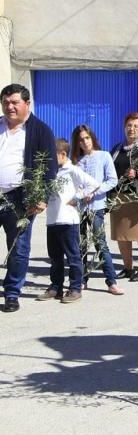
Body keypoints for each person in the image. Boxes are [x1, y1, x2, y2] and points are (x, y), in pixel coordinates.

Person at [0, 83, 58, 313]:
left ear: (27, 104)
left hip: (20, 198)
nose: (9, 107)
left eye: (14, 102)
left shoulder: (40, 130)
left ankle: (12, 293)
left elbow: (50, 167)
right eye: (5, 102)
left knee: (18, 248)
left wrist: (42, 197)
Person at [37, 139, 100, 304]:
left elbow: (93, 184)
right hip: (52, 220)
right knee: (55, 257)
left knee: (73, 256)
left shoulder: (72, 170)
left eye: (52, 156)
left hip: (67, 220)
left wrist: (77, 197)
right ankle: (56, 286)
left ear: (62, 154)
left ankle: (75, 287)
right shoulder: (50, 172)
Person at [71, 124, 124, 295]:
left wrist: (94, 192)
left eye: (87, 138)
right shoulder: (75, 162)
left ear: (92, 138)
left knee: (100, 244)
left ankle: (111, 281)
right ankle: (81, 280)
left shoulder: (103, 156)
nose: (85, 142)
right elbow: (72, 185)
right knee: (80, 245)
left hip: (97, 207)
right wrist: (78, 195)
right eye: (81, 140)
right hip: (79, 209)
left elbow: (112, 180)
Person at [109, 113, 138, 282]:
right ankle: (128, 268)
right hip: (119, 196)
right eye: (129, 125)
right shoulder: (116, 149)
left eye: (136, 126)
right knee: (122, 235)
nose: (131, 129)